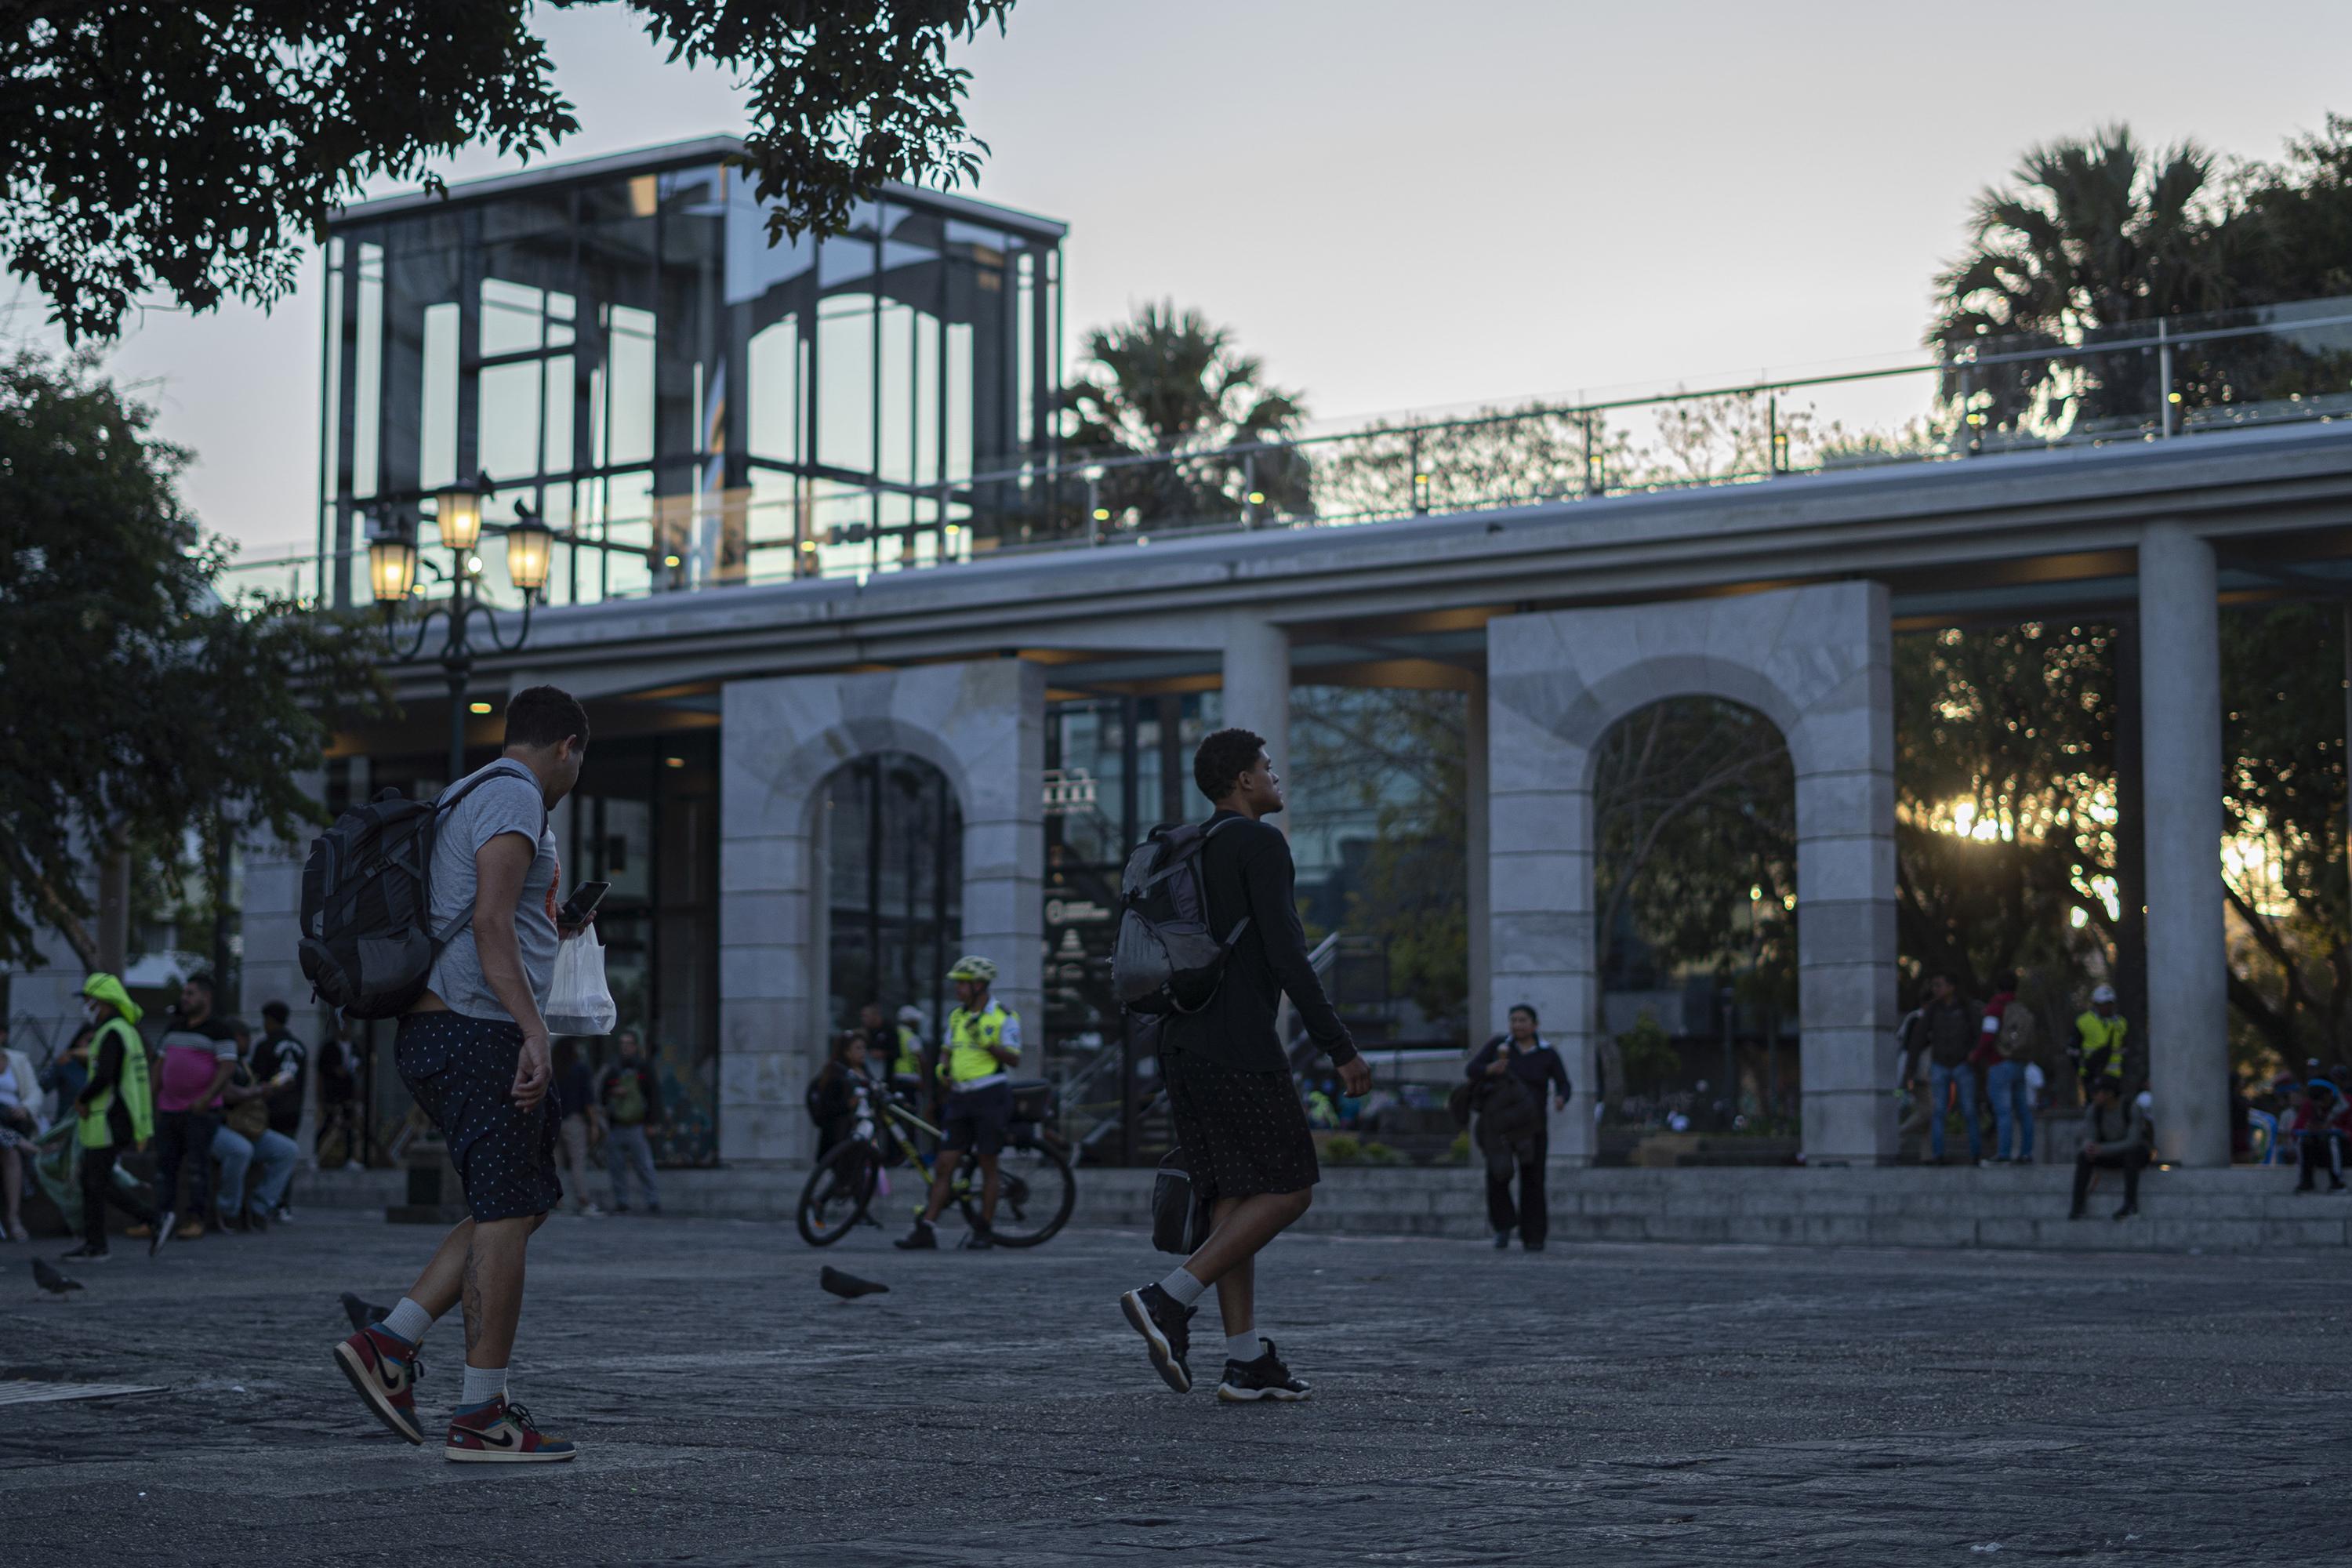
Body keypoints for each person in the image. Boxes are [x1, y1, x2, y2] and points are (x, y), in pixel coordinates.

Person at [331, 684, 591, 1464]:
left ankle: (391, 1341)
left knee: (516, 1204)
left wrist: (554, 924)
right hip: (475, 1025)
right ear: (567, 747)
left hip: (448, 1021)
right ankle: (483, 1412)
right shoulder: (514, 796)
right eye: (580, 760)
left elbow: (493, 913)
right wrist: (533, 1028)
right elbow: (485, 922)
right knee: (508, 1215)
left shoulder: (469, 792)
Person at [1118, 728, 1368, 1404]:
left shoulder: (1191, 846)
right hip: (1237, 1045)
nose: (1274, 777)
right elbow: (1289, 955)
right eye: (1266, 768)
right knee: (1289, 1189)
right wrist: (1339, 1047)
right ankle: (1168, 1298)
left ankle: (1245, 1360)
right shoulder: (1260, 844)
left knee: (1233, 1196)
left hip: (1180, 1042)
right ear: (1241, 782)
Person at [896, 956, 1021, 1250]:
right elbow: (945, 1051)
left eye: (962, 985)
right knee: (944, 1164)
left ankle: (984, 1229)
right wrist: (943, 1070)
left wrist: (988, 1044)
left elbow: (1014, 1058)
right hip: (960, 1097)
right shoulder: (956, 1016)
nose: (957, 990)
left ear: (979, 985)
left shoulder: (1004, 1016)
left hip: (990, 1094)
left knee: (988, 1164)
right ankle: (926, 1228)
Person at [64, 973, 165, 1261]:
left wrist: (81, 1098)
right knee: (95, 1181)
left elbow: (105, 1076)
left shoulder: (112, 1032)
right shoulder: (125, 1030)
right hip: (115, 1119)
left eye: (88, 999)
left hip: (108, 1119)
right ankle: (104, 1240)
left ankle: (105, 1241)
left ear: (103, 1002)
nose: (86, 1005)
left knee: (95, 1181)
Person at [1465, 1004, 1571, 1251]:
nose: (1517, 1025)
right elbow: (1471, 1070)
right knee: (1498, 1176)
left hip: (1532, 1126)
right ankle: (1503, 1227)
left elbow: (1564, 1083)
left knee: (1533, 1179)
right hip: (1500, 1126)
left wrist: (1561, 1099)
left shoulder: (1547, 1053)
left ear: (1535, 1025)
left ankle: (1533, 1235)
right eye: (1513, 1020)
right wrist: (1490, 1069)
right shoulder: (1500, 1047)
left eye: (1523, 1020)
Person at [151, 973, 239, 1243]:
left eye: (190, 994)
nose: (184, 999)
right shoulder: (174, 1027)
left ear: (206, 997)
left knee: (197, 1169)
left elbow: (227, 1066)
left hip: (200, 1111)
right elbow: (159, 1065)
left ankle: (195, 1219)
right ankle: (159, 1220)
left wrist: (206, 1097)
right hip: (169, 1109)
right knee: (165, 1168)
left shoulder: (220, 1029)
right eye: (184, 994)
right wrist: (150, 1099)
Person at [209, 1018, 298, 1233]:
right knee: (241, 1151)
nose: (250, 1042)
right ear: (237, 1038)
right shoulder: (220, 1061)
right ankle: (228, 1210)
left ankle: (259, 1207)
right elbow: (226, 1094)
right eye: (246, 1037)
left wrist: (271, 1089)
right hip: (219, 1126)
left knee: (288, 1150)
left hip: (245, 1127)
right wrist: (258, 1091)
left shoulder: (243, 1064)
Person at [251, 1000, 307, 1222]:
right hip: (293, 1109)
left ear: (270, 1020)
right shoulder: (300, 1046)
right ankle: (283, 1204)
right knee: (287, 1154)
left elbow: (255, 1078)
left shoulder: (265, 1045)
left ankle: (265, 1202)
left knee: (269, 1156)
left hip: (269, 1109)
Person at [597, 1029, 664, 1214]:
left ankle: (653, 1201)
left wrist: (652, 1122)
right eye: (622, 1044)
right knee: (616, 1167)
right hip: (617, 1124)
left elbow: (653, 1095)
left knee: (644, 1165)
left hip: (637, 1125)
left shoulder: (644, 1067)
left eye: (628, 1044)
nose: (625, 1047)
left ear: (636, 1046)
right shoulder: (613, 1068)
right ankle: (622, 1201)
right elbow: (603, 1093)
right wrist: (613, 1093)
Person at [2070, 1076, 2153, 1221]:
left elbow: (2133, 1141)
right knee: (2083, 1157)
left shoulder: (2131, 1107)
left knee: (2132, 1155)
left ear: (2110, 1093)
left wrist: (2102, 1149)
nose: (2094, 1096)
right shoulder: (2094, 1110)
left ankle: (2131, 1205)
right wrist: (2089, 1147)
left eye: (2097, 1093)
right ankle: (2078, 1206)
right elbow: (2089, 1134)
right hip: (2110, 1153)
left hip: (2132, 1153)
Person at [1919, 973, 1980, 1164]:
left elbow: (1978, 1032)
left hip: (1962, 1064)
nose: (1936, 989)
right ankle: (1938, 1154)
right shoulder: (1933, 1010)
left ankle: (1975, 1153)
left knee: (1969, 1110)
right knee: (1939, 1111)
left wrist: (1973, 1055)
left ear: (1951, 987)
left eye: (1939, 985)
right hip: (1940, 1064)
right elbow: (1919, 1037)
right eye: (1934, 985)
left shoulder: (1966, 1008)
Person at [1983, 970, 2038, 1163]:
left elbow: (1988, 1036)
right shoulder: (2020, 1008)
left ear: (1997, 987)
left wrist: (1976, 1055)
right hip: (2019, 1063)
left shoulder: (1995, 1008)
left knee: (2003, 1111)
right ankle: (2026, 1152)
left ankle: (2004, 1153)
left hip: (2000, 1063)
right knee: (2023, 1110)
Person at [550, 1038, 603, 1217]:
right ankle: (583, 1200)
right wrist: (594, 1124)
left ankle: (557, 1200)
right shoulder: (580, 1068)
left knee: (556, 1163)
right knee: (578, 1162)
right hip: (574, 1120)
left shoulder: (553, 1068)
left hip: (554, 1120)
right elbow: (588, 1100)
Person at [1, 1022, 42, 1243]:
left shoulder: (18, 1060)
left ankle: (13, 1217)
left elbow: (35, 1092)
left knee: (11, 1153)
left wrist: (25, 1108)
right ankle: (22, 1143)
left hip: (13, 1122)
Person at [807, 1032, 877, 1157]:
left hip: (865, 1130)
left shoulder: (865, 1071)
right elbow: (826, 1106)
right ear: (846, 1051)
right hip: (841, 1134)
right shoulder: (836, 1075)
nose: (863, 1052)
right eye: (858, 1048)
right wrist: (848, 1104)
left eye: (864, 1048)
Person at [2285, 1079, 2350, 1194]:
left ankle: (2337, 1182)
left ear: (2330, 1095)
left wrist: (2332, 1129)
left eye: (2323, 1100)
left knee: (2332, 1139)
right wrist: (2308, 1128)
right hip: (2320, 1154)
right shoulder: (2309, 1105)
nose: (2320, 1104)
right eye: (2316, 1102)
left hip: (2344, 1152)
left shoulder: (2347, 1104)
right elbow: (2296, 1130)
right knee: (2304, 1140)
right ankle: (2306, 1182)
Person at [316, 1019, 363, 1171]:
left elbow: (361, 1067)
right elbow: (321, 1070)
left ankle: (349, 1159)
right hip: (332, 1092)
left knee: (348, 1126)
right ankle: (315, 1155)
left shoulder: (355, 1047)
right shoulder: (329, 1047)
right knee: (328, 1123)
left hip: (348, 1092)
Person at [2074, 984, 2128, 1092]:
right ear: (2096, 1004)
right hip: (2091, 1073)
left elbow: (2125, 1047)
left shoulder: (2121, 1023)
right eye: (2103, 1004)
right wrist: (2081, 1070)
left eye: (2109, 1003)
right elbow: (2073, 1049)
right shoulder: (2083, 1022)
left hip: (2115, 1075)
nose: (2107, 1007)